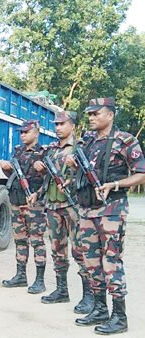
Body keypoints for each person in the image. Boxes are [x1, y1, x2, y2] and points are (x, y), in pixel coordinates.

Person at [68, 98, 145, 335]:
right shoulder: (88, 142)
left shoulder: (125, 140)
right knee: (90, 261)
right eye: (89, 114)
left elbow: (141, 173)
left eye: (96, 113)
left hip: (111, 210)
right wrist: (72, 165)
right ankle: (100, 309)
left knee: (111, 262)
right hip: (86, 210)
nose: (91, 117)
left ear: (110, 115)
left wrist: (115, 183)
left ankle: (119, 317)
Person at [30, 111, 93, 313]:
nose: (58, 128)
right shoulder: (51, 150)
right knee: (58, 249)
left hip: (73, 206)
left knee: (80, 250)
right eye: (56, 124)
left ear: (72, 126)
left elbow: (90, 175)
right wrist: (38, 189)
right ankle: (62, 290)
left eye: (62, 124)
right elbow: (49, 180)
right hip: (53, 206)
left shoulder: (82, 147)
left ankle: (89, 297)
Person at [0, 120, 47, 294]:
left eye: (26, 132)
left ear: (36, 132)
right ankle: (20, 275)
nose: (23, 135)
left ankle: (40, 280)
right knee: (19, 239)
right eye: (21, 132)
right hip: (16, 200)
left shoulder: (43, 153)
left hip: (33, 204)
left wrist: (38, 195)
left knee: (37, 241)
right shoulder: (18, 152)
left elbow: (48, 181)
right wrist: (6, 169)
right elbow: (13, 177)